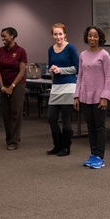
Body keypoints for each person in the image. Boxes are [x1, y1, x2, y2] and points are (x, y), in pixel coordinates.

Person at [74, 25, 110, 169]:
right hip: (85, 96)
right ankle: (93, 154)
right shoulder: (83, 54)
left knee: (100, 127)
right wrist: (76, 95)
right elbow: (80, 76)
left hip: (99, 96)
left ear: (100, 38)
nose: (92, 38)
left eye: (95, 36)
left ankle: (100, 157)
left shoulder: (104, 55)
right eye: (90, 35)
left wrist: (105, 96)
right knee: (90, 127)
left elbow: (109, 77)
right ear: (87, 37)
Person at [46, 23, 78, 157]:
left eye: (60, 34)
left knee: (65, 118)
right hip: (56, 87)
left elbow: (77, 67)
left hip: (69, 86)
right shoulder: (51, 49)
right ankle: (57, 144)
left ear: (65, 34)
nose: (58, 37)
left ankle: (66, 146)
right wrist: (51, 69)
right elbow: (50, 66)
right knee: (51, 118)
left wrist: (61, 70)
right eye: (55, 34)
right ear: (52, 35)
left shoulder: (70, 48)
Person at [0, 27, 27, 150]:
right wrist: (2, 86)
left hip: (18, 85)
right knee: (6, 113)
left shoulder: (21, 51)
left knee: (16, 112)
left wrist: (12, 86)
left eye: (5, 36)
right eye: (2, 36)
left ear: (12, 36)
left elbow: (22, 71)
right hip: (4, 84)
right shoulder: (0, 51)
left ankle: (13, 141)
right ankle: (9, 138)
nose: (3, 39)